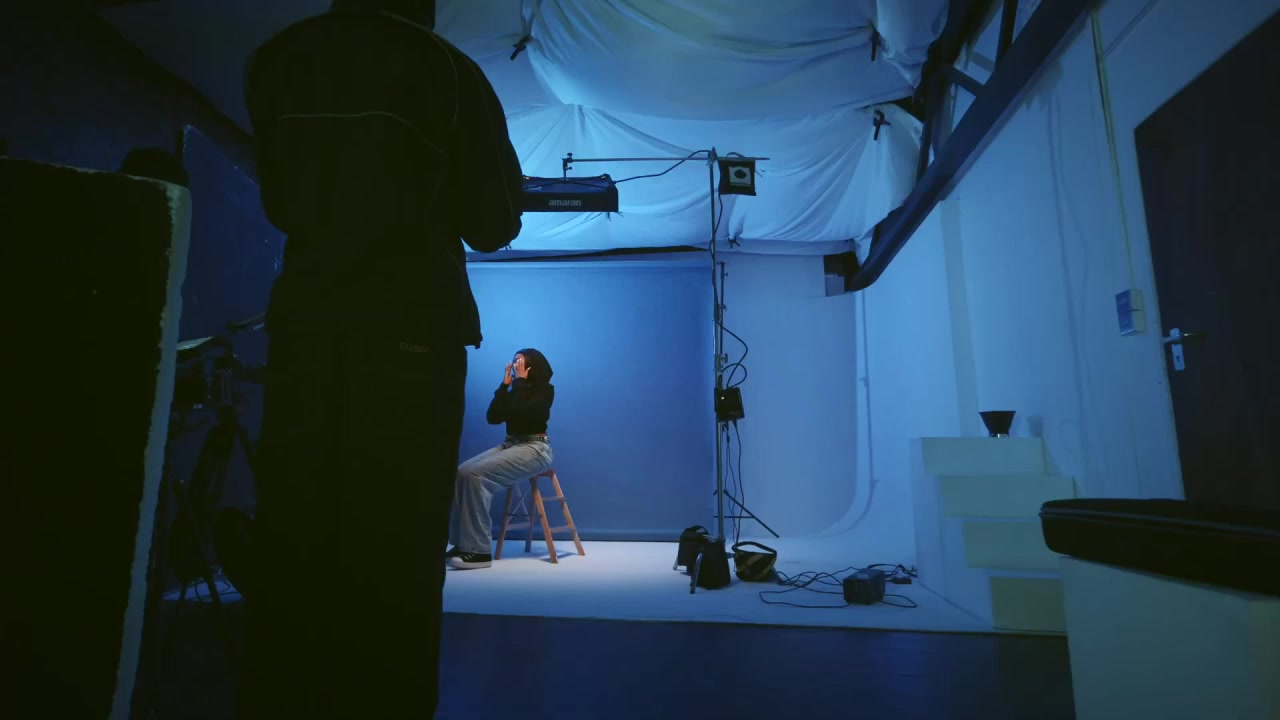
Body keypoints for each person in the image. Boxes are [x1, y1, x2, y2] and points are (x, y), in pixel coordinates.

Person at [236, 0, 523, 717]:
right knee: (397, 551)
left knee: (293, 538)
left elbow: (279, 202)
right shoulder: (444, 70)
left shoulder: (276, 60)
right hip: (410, 332)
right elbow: (494, 221)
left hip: (305, 326)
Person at [447, 349, 556, 570]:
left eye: (520, 362)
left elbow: (526, 414)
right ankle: (463, 544)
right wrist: (504, 387)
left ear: (532, 366)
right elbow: (493, 417)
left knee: (475, 475)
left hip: (535, 448)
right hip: (511, 444)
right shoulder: (515, 389)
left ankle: (479, 552)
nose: (515, 365)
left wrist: (519, 384)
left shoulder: (545, 390)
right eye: (514, 361)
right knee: (462, 472)